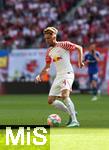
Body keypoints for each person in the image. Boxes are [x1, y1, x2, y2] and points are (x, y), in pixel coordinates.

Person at [35, 27, 84, 127]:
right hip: (59, 76)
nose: (47, 40)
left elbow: (79, 48)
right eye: (45, 38)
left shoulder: (64, 44)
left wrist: (80, 61)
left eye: (48, 38)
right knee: (50, 101)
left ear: (54, 36)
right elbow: (47, 67)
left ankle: (75, 121)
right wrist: (40, 75)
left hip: (68, 74)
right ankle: (71, 112)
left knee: (65, 95)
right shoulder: (49, 51)